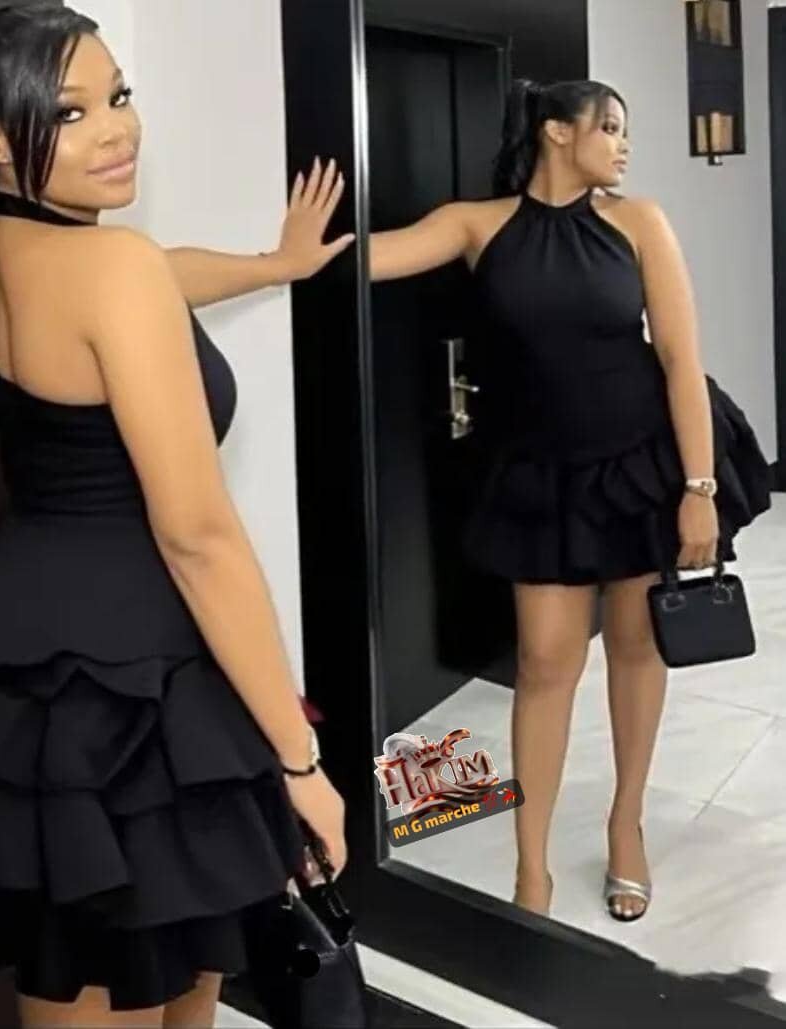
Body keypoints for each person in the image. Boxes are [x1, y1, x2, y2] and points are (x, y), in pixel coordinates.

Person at [0, 4, 353, 1026]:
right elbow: (196, 535)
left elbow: (160, 276)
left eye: (120, 96)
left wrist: (270, 265)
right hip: (139, 672)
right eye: (70, 111)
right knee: (170, 982)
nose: (117, 129)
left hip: (30, 658)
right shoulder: (112, 270)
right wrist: (300, 761)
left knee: (90, 972)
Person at [368, 80, 769, 922]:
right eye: (609, 126)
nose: (624, 143)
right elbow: (368, 258)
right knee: (545, 662)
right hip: (542, 474)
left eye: (626, 129)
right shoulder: (477, 224)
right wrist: (286, 249)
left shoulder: (639, 222)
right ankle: (532, 865)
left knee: (635, 646)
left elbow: (680, 360)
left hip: (642, 463)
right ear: (556, 131)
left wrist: (698, 487)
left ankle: (627, 825)